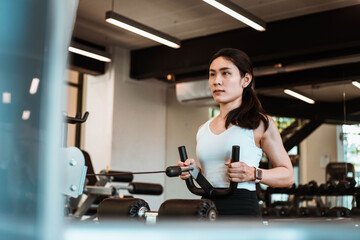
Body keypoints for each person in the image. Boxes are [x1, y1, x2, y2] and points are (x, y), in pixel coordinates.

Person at [177, 48, 295, 218]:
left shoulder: (261, 124)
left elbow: (288, 176)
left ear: (245, 80)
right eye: (212, 74)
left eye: (225, 73)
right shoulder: (202, 129)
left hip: (241, 209)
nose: (217, 81)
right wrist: (193, 172)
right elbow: (212, 175)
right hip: (207, 209)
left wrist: (253, 173)